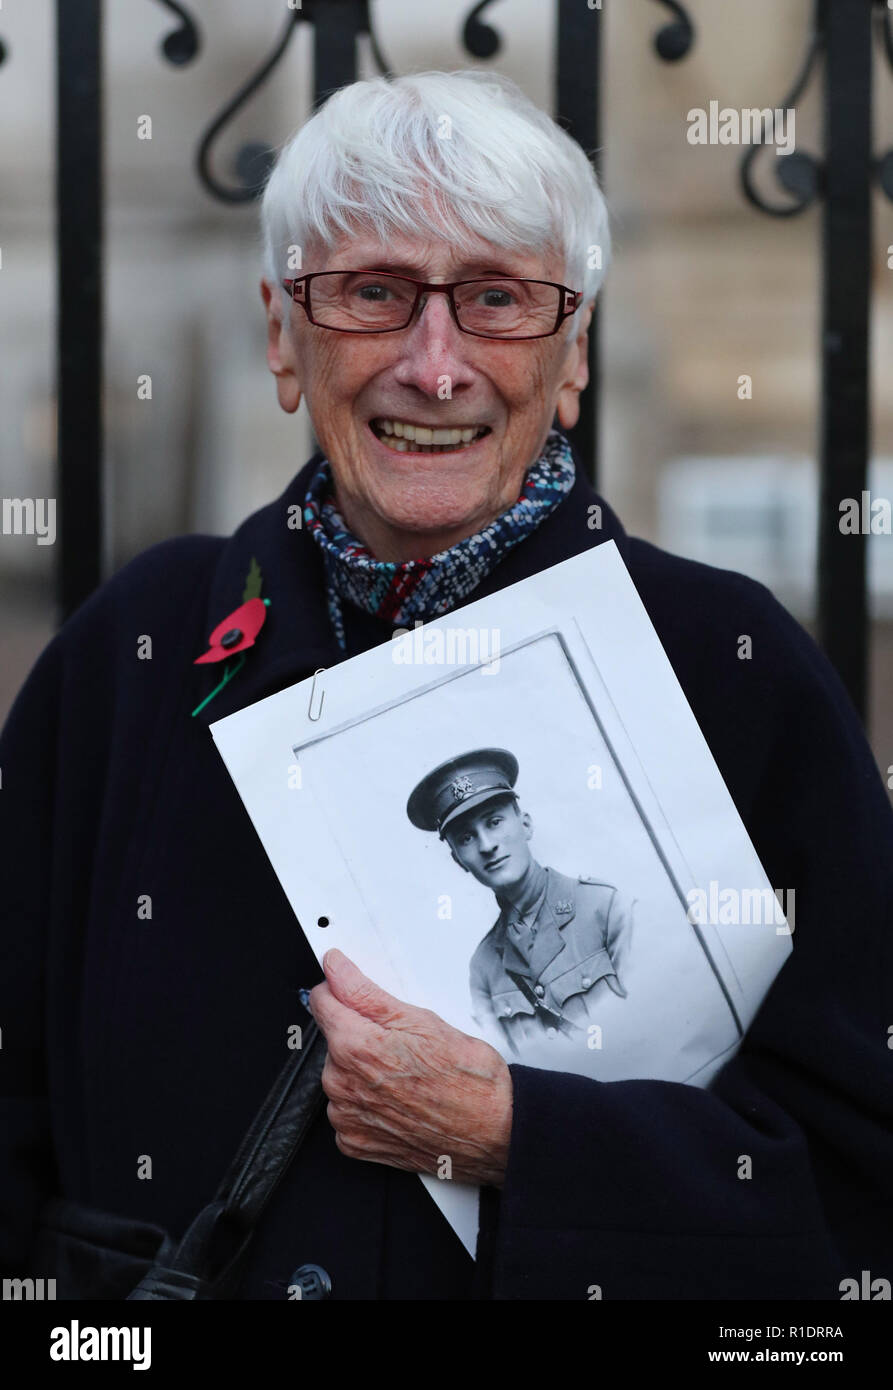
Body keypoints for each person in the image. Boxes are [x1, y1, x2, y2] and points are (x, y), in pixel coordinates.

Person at [1, 68, 891, 1301]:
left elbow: (855, 1183)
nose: (434, 366)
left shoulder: (730, 671)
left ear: (570, 355)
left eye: (497, 300)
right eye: (372, 293)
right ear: (281, 333)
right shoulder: (129, 656)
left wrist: (517, 1137)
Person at [406, 748, 633, 1054]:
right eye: (466, 838)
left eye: (494, 822)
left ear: (525, 824)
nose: (487, 845)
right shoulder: (483, 969)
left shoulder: (605, 908)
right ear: (458, 860)